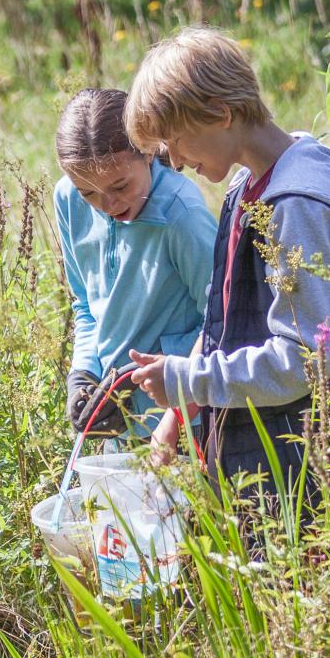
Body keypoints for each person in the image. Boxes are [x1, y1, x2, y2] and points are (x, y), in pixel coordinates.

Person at [123, 28, 330, 524]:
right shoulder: (246, 188)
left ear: (221, 114)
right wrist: (176, 416)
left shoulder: (296, 206)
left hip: (312, 467)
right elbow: (220, 321)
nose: (174, 161)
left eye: (176, 142)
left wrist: (188, 379)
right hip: (265, 458)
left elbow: (305, 359)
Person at [54, 87, 217, 441]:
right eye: (89, 193)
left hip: (187, 423)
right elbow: (85, 304)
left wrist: (136, 377)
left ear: (145, 152)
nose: (108, 203)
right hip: (121, 423)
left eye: (120, 185)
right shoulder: (67, 200)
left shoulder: (180, 215)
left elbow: (224, 320)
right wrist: (84, 373)